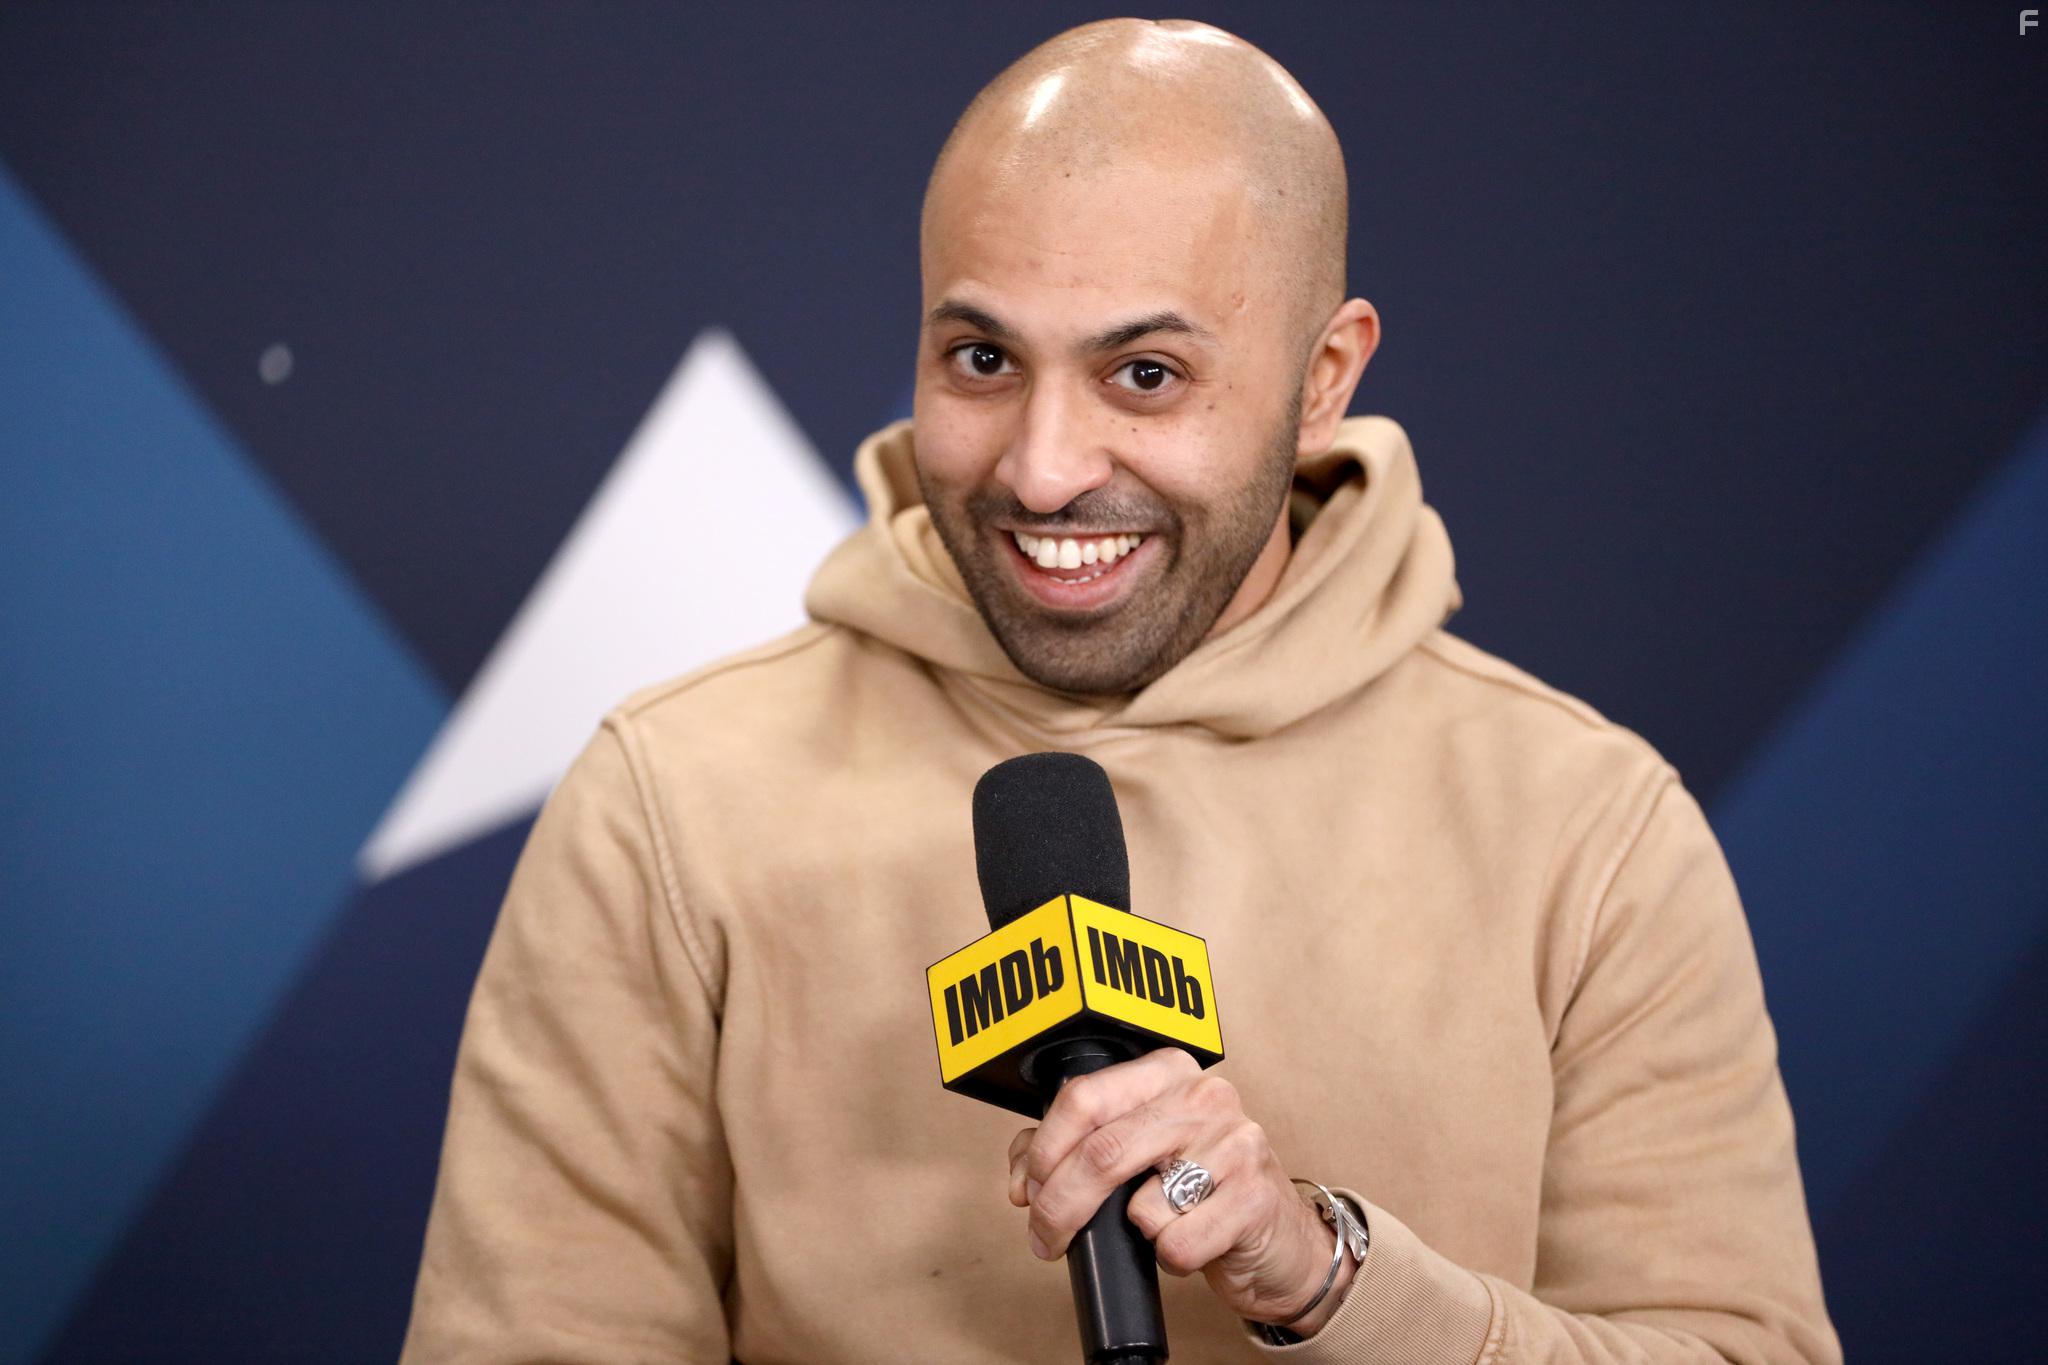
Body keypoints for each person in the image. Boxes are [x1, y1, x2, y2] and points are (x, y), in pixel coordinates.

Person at [401, 18, 1839, 1364]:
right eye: (980, 359)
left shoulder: (1592, 833)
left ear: (1323, 376)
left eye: (1143, 374)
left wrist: (1326, 1270)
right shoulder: (670, 803)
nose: (1041, 467)